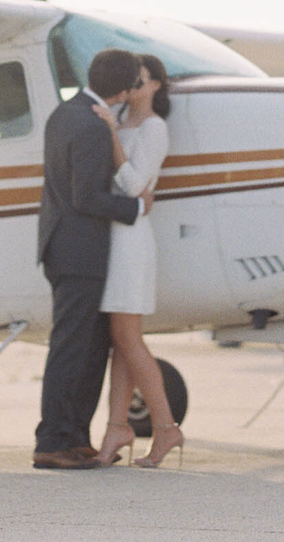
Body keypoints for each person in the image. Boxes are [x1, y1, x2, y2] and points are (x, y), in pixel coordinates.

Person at [32, 46, 147, 470]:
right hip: (78, 251)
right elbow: (85, 197)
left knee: (89, 346)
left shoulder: (64, 113)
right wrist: (134, 208)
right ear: (124, 88)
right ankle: (52, 440)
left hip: (64, 247)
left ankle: (75, 436)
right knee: (72, 348)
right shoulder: (93, 125)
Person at [91, 53, 182, 467]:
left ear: (157, 85)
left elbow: (130, 187)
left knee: (128, 339)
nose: (136, 85)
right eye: (133, 79)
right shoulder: (119, 116)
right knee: (119, 343)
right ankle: (116, 429)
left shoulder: (154, 128)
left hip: (130, 242)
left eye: (143, 79)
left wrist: (110, 136)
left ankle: (165, 429)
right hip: (112, 237)